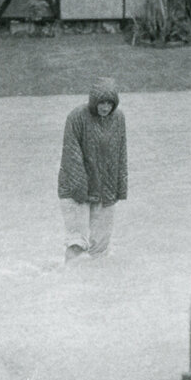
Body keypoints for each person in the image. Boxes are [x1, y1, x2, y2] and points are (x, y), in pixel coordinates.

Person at [57, 77, 128, 262]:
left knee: (100, 248)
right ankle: (67, 276)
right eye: (101, 102)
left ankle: (94, 279)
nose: (105, 107)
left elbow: (121, 153)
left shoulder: (118, 118)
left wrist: (120, 188)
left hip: (105, 190)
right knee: (77, 243)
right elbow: (71, 155)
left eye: (110, 103)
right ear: (93, 100)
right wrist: (81, 191)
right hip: (75, 190)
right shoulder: (77, 117)